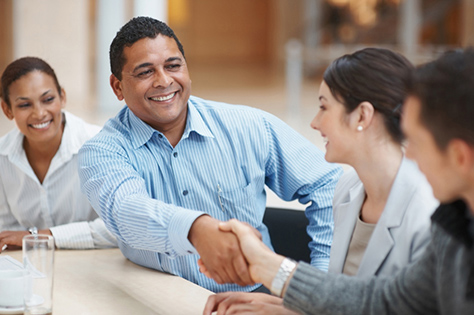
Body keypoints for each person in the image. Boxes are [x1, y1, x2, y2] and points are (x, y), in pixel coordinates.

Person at [78, 16, 342, 293]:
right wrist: (197, 230)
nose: (164, 81)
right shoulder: (102, 151)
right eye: (145, 72)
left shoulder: (248, 126)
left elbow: (328, 184)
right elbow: (126, 211)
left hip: (255, 297)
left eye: (173, 66)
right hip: (161, 299)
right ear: (117, 86)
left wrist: (320, 285)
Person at [203, 48, 474, 315]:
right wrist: (285, 298)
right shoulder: (453, 226)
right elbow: (383, 302)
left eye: (416, 141)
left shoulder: (433, 217)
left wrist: (271, 270)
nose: (409, 153)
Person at [0, 57, 117, 251]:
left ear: (62, 97)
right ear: (7, 109)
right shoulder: (2, 157)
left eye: (48, 100)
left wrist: (38, 237)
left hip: (96, 268)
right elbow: (7, 235)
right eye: (24, 105)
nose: (39, 113)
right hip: (31, 271)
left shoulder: (100, 145)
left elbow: (118, 228)